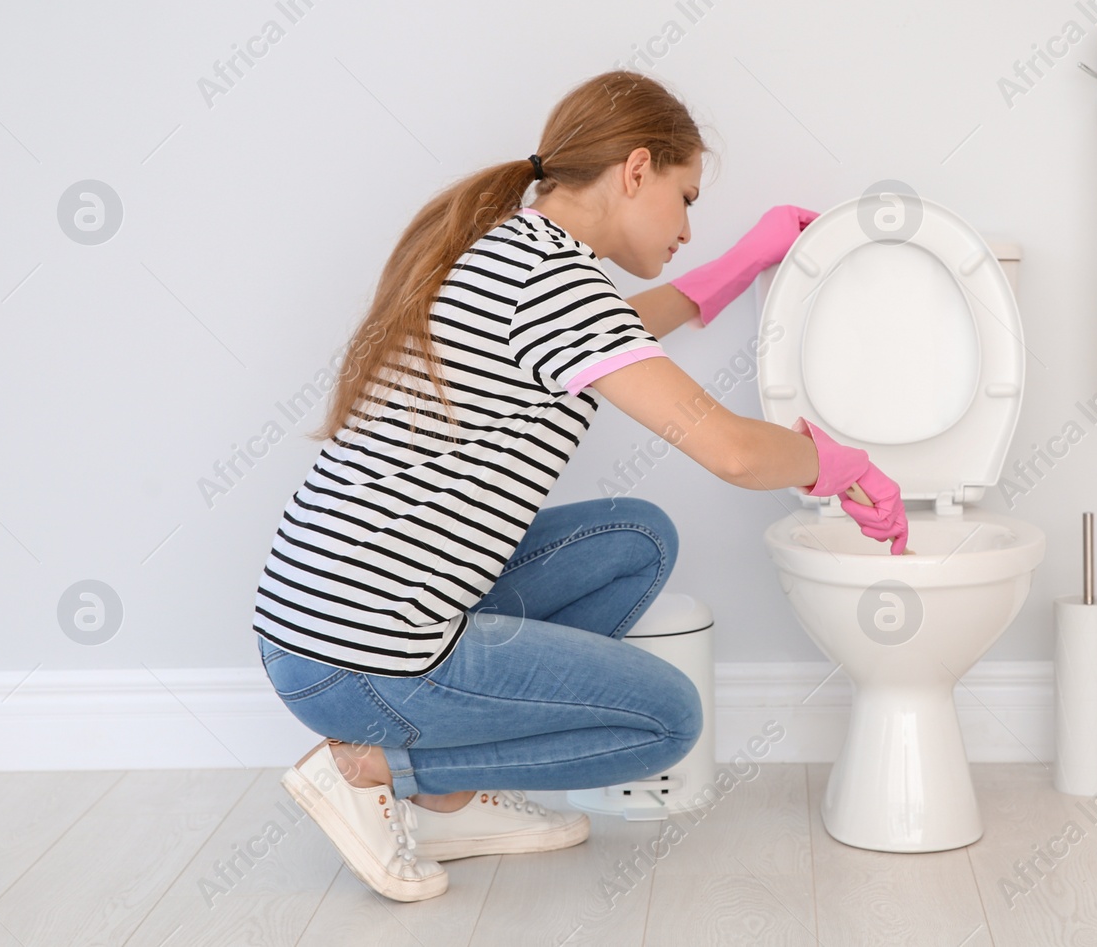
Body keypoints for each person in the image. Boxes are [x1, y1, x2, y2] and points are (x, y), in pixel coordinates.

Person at [253, 70, 908, 902]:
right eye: (686, 197)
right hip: (361, 660)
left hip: (313, 628)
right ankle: (379, 767)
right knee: (667, 719)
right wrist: (842, 463)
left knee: (633, 541)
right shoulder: (557, 286)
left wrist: (744, 262)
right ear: (636, 170)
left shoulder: (517, 251)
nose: (685, 227)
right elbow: (737, 454)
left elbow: (619, 333)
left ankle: (446, 801)